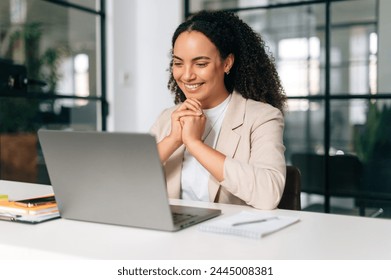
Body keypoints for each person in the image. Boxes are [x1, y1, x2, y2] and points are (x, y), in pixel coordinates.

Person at [150, 10, 287, 210]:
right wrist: (172, 140)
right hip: (175, 235)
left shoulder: (262, 117)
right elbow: (125, 182)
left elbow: (268, 195)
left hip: (231, 237)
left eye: (200, 63)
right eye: (178, 63)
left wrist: (194, 144)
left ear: (227, 63)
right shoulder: (167, 118)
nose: (187, 75)